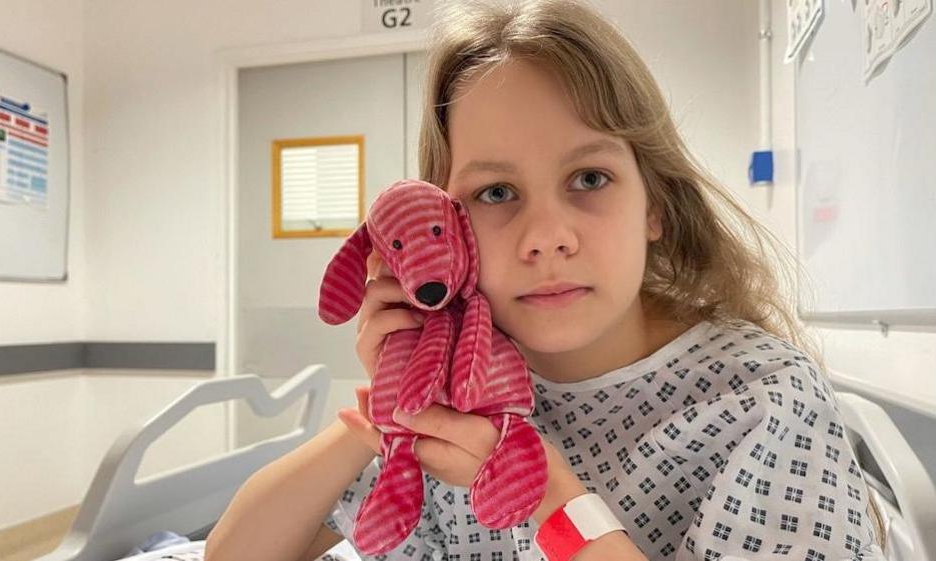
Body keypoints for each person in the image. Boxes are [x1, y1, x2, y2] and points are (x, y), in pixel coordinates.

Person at [205, 1, 887, 560]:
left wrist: (540, 495)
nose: (544, 236)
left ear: (652, 204)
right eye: (496, 192)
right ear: (449, 228)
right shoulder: (469, 390)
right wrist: (388, 413)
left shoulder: (758, 399)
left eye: (589, 179)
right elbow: (231, 553)